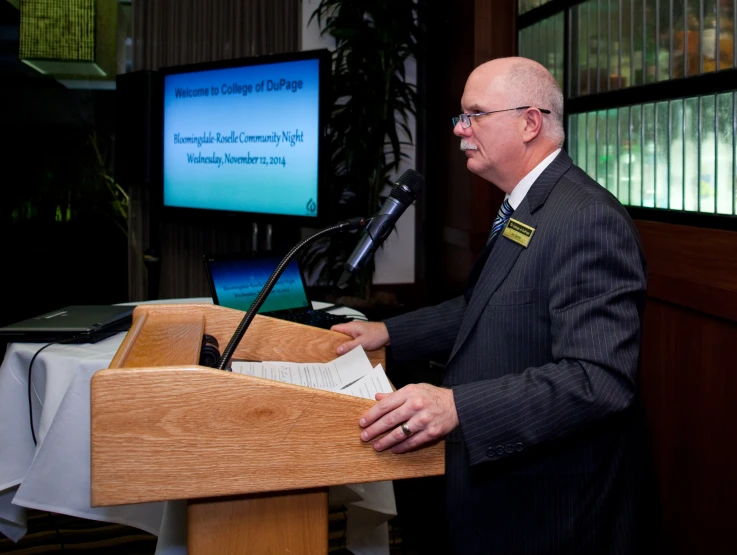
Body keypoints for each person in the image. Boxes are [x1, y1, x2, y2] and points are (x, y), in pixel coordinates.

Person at [332, 57, 656, 554]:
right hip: (501, 488)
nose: (461, 130)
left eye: (475, 114)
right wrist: (389, 333)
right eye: (461, 116)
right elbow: (485, 305)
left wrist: (457, 404)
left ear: (530, 122)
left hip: (551, 505)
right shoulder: (524, 203)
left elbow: (600, 380)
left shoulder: (587, 219)